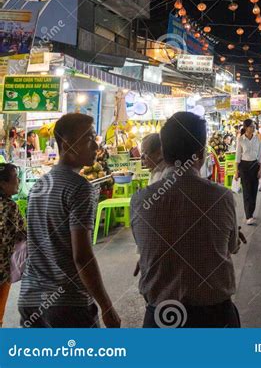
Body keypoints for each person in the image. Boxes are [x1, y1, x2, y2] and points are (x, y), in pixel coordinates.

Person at [132, 112, 242, 328]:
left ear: (163, 151)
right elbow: (232, 246)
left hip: (160, 319)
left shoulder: (140, 200)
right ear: (201, 152)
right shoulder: (221, 197)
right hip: (214, 318)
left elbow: (146, 248)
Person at [18, 113, 121, 328]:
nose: (96, 146)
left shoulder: (39, 185)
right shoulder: (80, 188)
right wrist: (106, 305)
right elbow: (82, 257)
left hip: (30, 299)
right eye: (89, 139)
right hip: (66, 304)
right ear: (67, 144)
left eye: (96, 139)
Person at [0, 164, 26, 327]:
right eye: (15, 178)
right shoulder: (10, 207)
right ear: (3, 184)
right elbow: (19, 235)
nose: (18, 181)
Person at [235, 118, 261, 225]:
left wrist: (260, 169)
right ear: (246, 128)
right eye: (251, 126)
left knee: (254, 191)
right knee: (246, 191)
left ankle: (251, 211)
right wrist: (236, 171)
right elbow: (237, 157)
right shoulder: (241, 140)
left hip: (255, 165)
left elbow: (260, 156)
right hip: (244, 167)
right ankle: (248, 216)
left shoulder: (257, 139)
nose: (253, 127)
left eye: (254, 125)